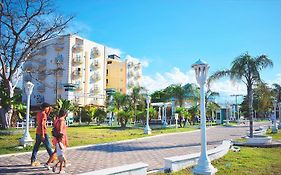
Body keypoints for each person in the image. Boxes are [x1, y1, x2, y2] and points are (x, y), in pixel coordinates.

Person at [31, 102, 53, 166]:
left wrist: (49, 111)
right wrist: (43, 134)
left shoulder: (39, 113)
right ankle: (52, 158)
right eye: (48, 108)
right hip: (43, 133)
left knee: (36, 147)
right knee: (48, 147)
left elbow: (42, 120)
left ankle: (33, 160)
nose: (48, 109)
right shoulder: (43, 114)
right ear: (45, 108)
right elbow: (42, 124)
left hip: (38, 132)